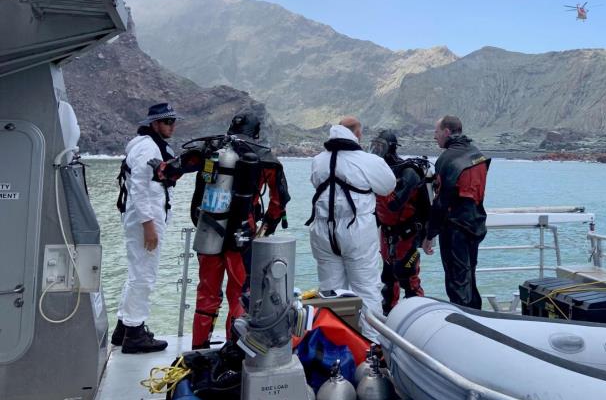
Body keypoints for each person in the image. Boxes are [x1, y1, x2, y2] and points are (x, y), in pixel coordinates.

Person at [190, 112, 290, 349]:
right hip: (242, 236)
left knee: (207, 293)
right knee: (240, 294)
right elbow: (279, 201)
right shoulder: (265, 157)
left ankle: (198, 348)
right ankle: (232, 351)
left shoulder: (210, 148)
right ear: (256, 132)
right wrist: (265, 231)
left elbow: (170, 170)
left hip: (208, 232)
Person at [306, 117, 395, 341]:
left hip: (323, 230)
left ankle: (333, 343)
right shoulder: (368, 160)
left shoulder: (318, 160)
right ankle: (371, 346)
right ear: (357, 134)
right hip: (357, 231)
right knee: (366, 289)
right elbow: (387, 186)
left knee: (330, 290)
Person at [111, 103, 181, 353]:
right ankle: (135, 334)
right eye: (167, 122)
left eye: (173, 121)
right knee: (144, 275)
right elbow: (139, 188)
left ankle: (123, 328)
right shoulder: (149, 147)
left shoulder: (143, 143)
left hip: (144, 217)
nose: (172, 126)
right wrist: (149, 226)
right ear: (154, 124)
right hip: (145, 219)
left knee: (136, 272)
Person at [422, 116, 491, 310]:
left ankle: (465, 324)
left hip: (455, 228)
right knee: (470, 276)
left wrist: (429, 234)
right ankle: (478, 318)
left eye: (436, 132)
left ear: (447, 132)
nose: (434, 137)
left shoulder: (447, 159)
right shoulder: (477, 154)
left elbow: (441, 201)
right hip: (476, 224)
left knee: (457, 281)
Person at [369, 130, 431, 315]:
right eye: (374, 146)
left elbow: (395, 204)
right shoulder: (379, 172)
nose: (376, 151)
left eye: (380, 147)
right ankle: (389, 318)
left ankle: (418, 319)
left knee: (408, 277)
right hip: (387, 233)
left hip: (406, 233)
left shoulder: (408, 172)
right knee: (388, 278)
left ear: (391, 148)